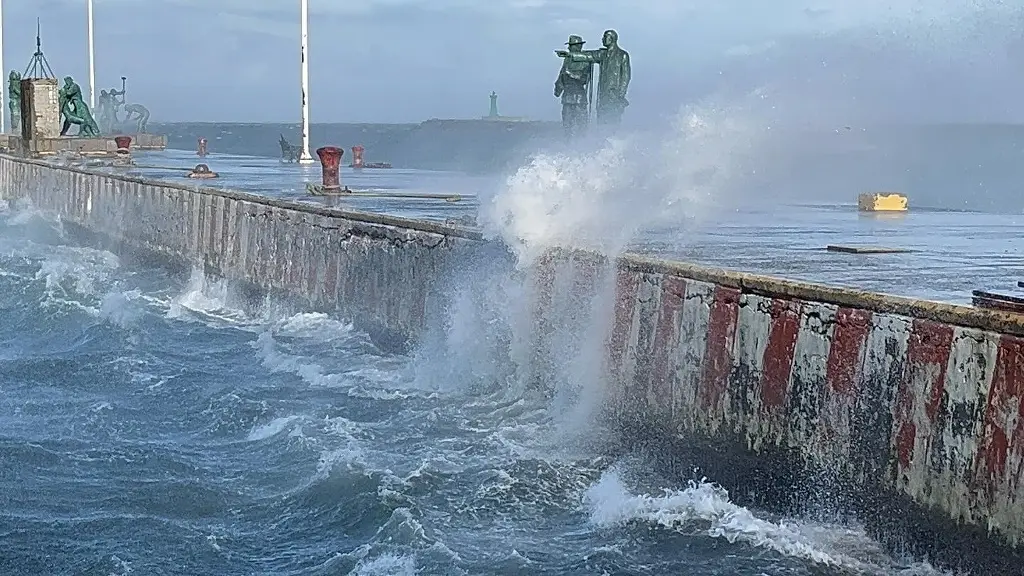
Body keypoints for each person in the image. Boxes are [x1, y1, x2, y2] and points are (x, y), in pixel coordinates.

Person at [556, 29, 631, 126]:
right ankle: (602, 135)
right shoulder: (602, 54)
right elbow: (589, 55)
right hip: (603, 94)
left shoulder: (622, 55)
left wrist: (620, 94)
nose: (602, 39)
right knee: (602, 119)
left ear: (612, 39)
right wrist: (569, 54)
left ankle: (614, 135)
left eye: (605, 37)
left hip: (615, 94)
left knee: (613, 120)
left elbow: (626, 77)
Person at [553, 35, 593, 139]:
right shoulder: (567, 60)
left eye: (571, 46)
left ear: (578, 46)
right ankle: (568, 143)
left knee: (581, 125)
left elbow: (584, 79)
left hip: (579, 98)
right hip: (567, 97)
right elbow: (562, 74)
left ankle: (582, 144)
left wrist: (570, 73)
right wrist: (558, 87)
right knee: (567, 125)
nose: (569, 48)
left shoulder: (585, 60)